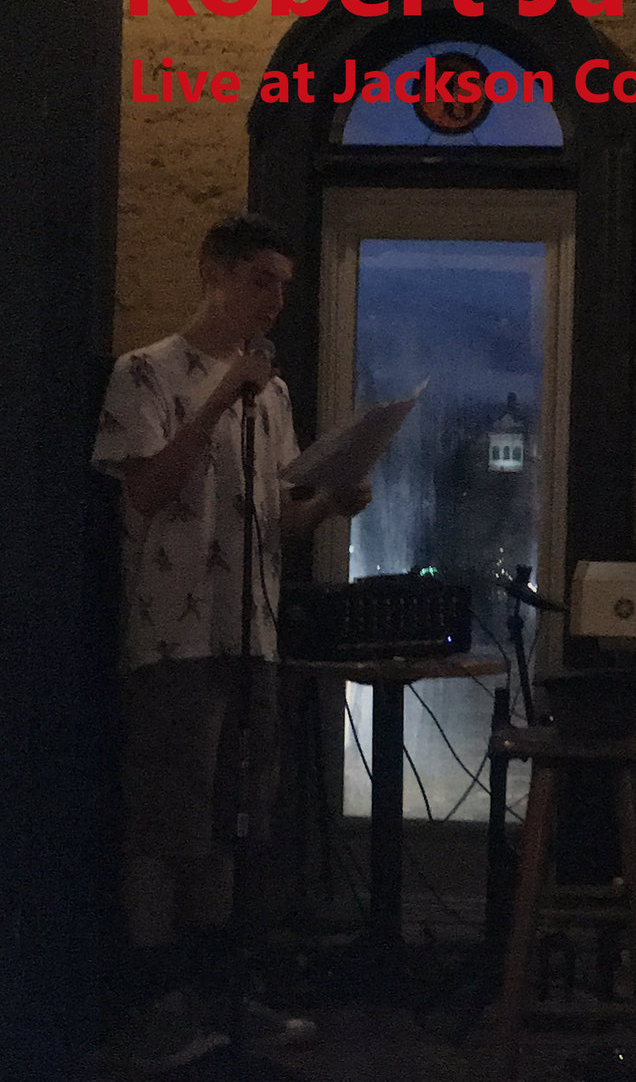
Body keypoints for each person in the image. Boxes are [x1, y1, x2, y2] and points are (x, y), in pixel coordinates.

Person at [93, 213, 371, 1072]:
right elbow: (146, 493)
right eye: (259, 280)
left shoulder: (273, 397)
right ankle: (155, 1004)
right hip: (173, 636)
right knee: (165, 826)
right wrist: (218, 398)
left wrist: (331, 503)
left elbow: (277, 520)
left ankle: (220, 996)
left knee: (229, 825)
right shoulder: (144, 372)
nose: (274, 300)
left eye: (283, 285)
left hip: (252, 629)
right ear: (213, 274)